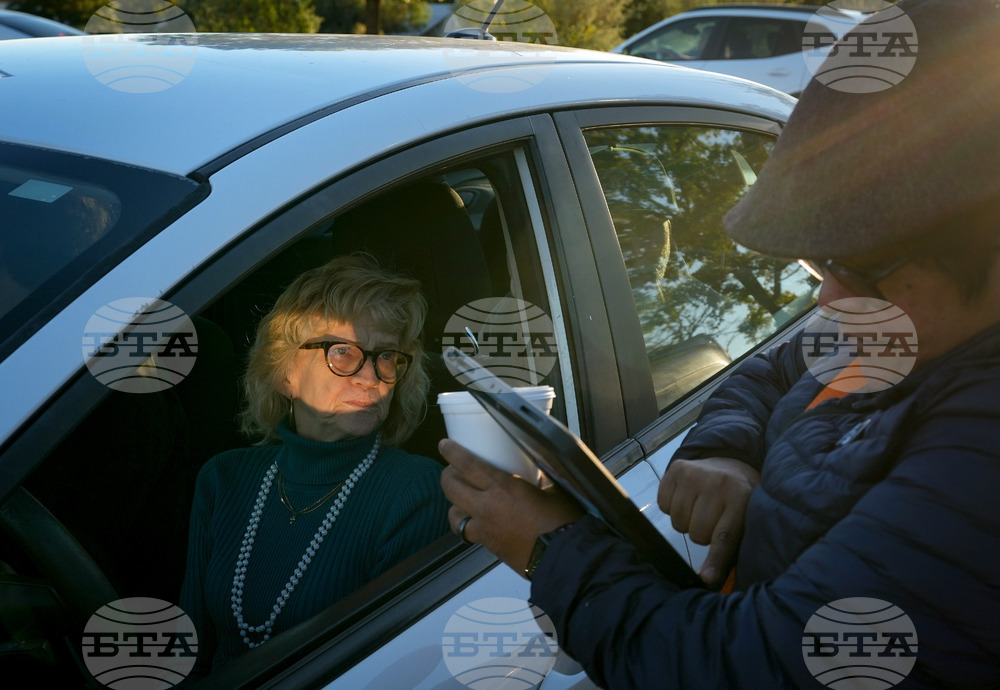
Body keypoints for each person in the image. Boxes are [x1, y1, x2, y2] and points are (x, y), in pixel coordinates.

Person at [440, 1, 1000, 686]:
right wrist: (725, 450)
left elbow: (750, 665)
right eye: (819, 265)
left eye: (856, 268)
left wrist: (549, 547)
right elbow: (771, 369)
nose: (826, 297)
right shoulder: (908, 324)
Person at [180, 253, 450, 674]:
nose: (370, 376)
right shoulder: (224, 477)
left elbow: (388, 672)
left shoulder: (415, 490)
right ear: (284, 370)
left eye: (386, 357)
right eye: (343, 352)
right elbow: (191, 650)